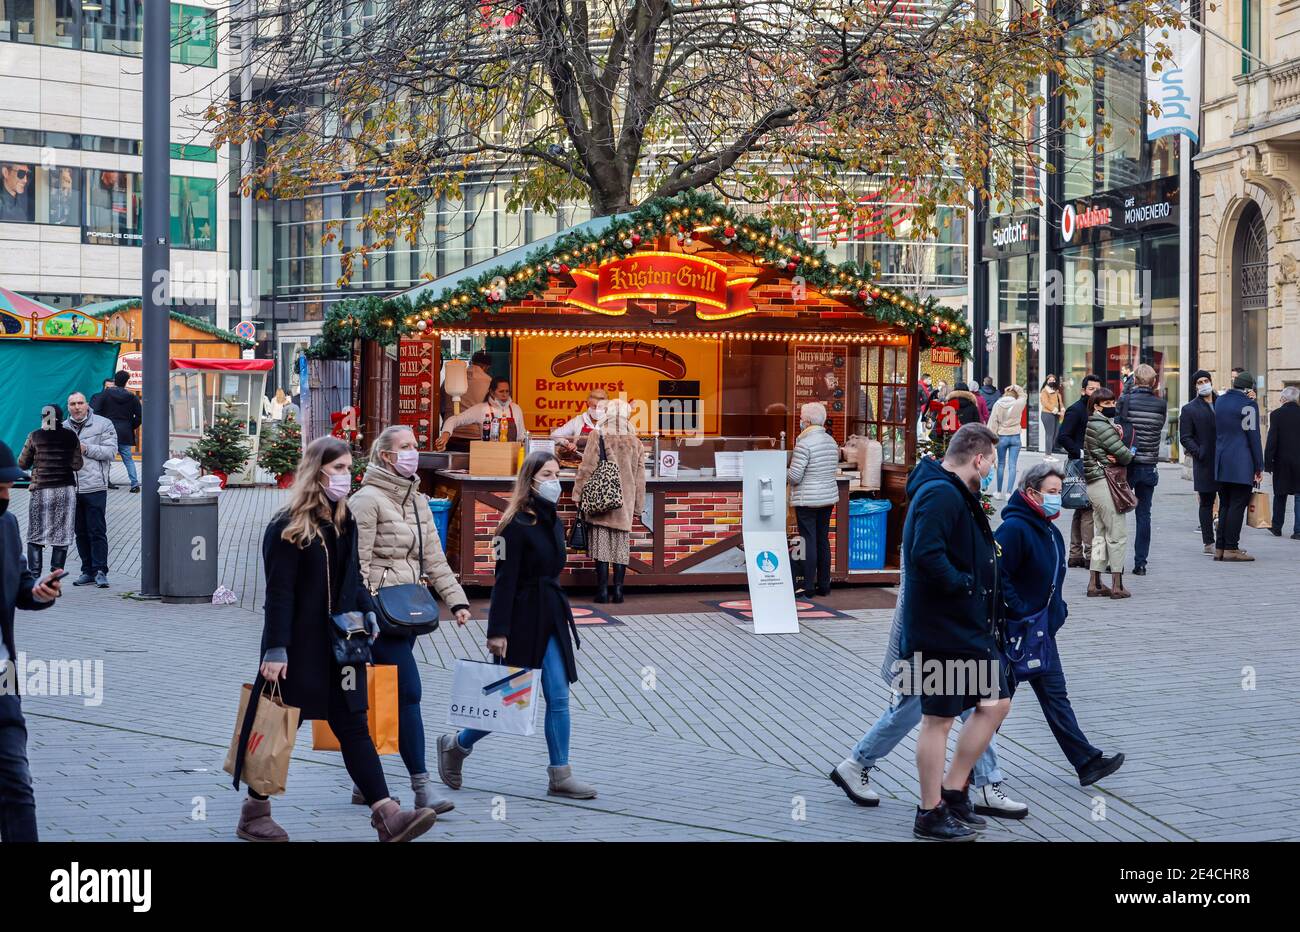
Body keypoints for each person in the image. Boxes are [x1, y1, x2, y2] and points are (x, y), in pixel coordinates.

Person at [238, 437, 438, 843]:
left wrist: (367, 609)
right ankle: (254, 812)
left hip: (341, 644)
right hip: (298, 647)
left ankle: (386, 814)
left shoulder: (343, 520)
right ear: (319, 471)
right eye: (341, 468)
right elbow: (279, 595)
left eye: (350, 468)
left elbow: (354, 577)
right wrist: (275, 649)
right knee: (279, 725)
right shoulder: (287, 527)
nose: (348, 476)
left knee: (353, 724)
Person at [437, 453, 596, 799]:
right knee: (510, 700)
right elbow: (503, 581)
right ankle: (457, 745)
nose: (555, 480)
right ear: (531, 479)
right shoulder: (511, 526)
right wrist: (497, 632)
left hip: (551, 613)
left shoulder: (553, 519)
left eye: (558, 473)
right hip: (522, 618)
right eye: (547, 474)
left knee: (558, 696)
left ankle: (560, 773)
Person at [830, 557, 1028, 820]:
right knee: (920, 710)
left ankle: (985, 784)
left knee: (978, 708)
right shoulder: (938, 516)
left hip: (958, 635)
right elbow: (931, 567)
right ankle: (861, 765)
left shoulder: (964, 517)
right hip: (938, 636)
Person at [350, 425, 472, 814]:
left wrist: (457, 601)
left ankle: (363, 783)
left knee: (377, 699)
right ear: (386, 456)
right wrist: (364, 614)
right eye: (405, 447)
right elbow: (357, 564)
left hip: (408, 611)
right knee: (408, 694)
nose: (413, 453)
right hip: (379, 615)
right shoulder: (366, 501)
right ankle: (422, 788)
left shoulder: (418, 500)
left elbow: (433, 558)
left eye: (415, 447)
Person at [900, 423, 1011, 841]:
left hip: (961, 626)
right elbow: (924, 554)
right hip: (941, 629)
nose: (991, 470)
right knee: (938, 720)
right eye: (992, 462)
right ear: (978, 458)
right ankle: (929, 812)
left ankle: (953, 790)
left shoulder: (950, 491)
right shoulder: (940, 493)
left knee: (996, 702)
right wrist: (963, 584)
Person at [995, 461, 1126, 787]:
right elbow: (997, 574)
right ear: (1031, 493)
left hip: (1041, 632)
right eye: (1052, 492)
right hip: (1014, 634)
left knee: (1056, 697)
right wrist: (1020, 609)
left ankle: (1086, 762)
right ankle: (964, 773)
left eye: (1058, 491)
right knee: (993, 709)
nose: (1058, 498)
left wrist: (1058, 610)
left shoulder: (1047, 529)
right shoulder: (1014, 529)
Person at [0, 440, 64, 842]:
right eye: (0, 485)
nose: (6, 494)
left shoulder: (6, 525)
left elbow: (20, 585)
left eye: (8, 485)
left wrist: (38, 591)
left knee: (17, 786)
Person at [572, 398, 646, 603]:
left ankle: (602, 591)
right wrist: (638, 507)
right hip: (626, 502)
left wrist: (578, 495)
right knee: (620, 549)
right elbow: (640, 478)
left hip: (602, 500)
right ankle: (619, 592)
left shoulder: (599, 434)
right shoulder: (636, 441)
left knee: (602, 547)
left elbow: (586, 468)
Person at [16, 405, 82, 578]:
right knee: (61, 534)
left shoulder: (35, 435)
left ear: (44, 417)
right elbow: (77, 465)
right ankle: (54, 579)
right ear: (61, 417)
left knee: (36, 533)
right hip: (65, 490)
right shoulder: (70, 435)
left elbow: (22, 464)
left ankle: (35, 577)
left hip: (41, 490)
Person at [1083, 388, 1134, 597]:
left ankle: (1094, 582)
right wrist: (1124, 454)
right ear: (1096, 406)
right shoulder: (1101, 426)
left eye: (1113, 402)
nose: (1112, 406)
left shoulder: (1096, 424)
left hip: (1096, 485)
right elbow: (1124, 455)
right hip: (1107, 484)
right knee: (1117, 535)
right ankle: (1117, 584)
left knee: (1100, 535)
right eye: (1107, 404)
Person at [1116, 364, 1166, 576]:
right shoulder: (1160, 404)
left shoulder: (1125, 400)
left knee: (1118, 513)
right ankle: (1141, 563)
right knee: (1144, 515)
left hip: (1127, 465)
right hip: (1149, 465)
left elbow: (1117, 427)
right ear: (1154, 382)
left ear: (1134, 380)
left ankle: (1116, 561)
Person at [786, 402, 840, 599]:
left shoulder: (804, 443)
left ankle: (808, 586)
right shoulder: (831, 442)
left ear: (807, 421)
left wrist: (785, 472)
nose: (800, 421)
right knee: (822, 539)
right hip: (827, 498)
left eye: (801, 418)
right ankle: (824, 585)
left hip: (807, 499)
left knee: (808, 541)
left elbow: (795, 477)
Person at [63, 393, 116, 588]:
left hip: (95, 487)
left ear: (87, 405)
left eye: (80, 403)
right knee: (80, 532)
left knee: (97, 531)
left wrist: (86, 448)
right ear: (68, 407)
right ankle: (87, 571)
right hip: (71, 488)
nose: (76, 407)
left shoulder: (103, 424)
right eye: (72, 404)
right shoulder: (62, 428)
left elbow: (111, 452)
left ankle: (101, 570)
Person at [1213, 371, 1264, 561]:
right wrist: (1259, 465)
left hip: (1221, 460)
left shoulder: (1220, 402)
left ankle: (1220, 547)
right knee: (1237, 504)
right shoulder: (1248, 405)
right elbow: (1254, 436)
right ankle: (1231, 548)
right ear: (1249, 388)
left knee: (1225, 503)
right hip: (1241, 462)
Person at [1059, 374, 1100, 567]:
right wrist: (1080, 453)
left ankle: (1075, 553)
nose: (1095, 393)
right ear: (1083, 390)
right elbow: (1063, 437)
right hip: (1080, 465)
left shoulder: (1096, 410)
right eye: (1091, 389)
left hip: (1089, 464)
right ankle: (1090, 554)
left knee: (1080, 508)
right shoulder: (1076, 410)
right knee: (1087, 509)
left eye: (1097, 389)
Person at [1179, 370, 1220, 554]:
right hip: (1204, 462)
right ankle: (1208, 542)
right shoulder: (1190, 409)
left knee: (1227, 501)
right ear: (1195, 386)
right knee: (1206, 501)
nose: (1204, 384)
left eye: (1206, 380)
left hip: (1225, 460)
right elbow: (1185, 437)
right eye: (1200, 382)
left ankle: (1226, 541)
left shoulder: (1223, 403)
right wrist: (1199, 452)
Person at [435, 376, 527, 449]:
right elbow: (454, 420)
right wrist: (445, 434)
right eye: (501, 391)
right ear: (491, 392)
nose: (505, 395)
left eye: (507, 391)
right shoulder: (482, 409)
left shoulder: (516, 409)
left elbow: (521, 435)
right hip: (488, 455)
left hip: (512, 456)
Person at [91, 370, 142, 492]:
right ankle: (134, 484)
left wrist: (102, 426)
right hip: (125, 431)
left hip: (107, 431)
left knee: (105, 458)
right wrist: (130, 426)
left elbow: (96, 412)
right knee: (128, 459)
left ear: (115, 380)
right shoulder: (132, 397)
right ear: (126, 382)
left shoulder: (105, 395)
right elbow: (140, 416)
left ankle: (104, 482)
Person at [439, 350, 494, 451]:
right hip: (475, 436)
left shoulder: (451, 378)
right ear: (486, 367)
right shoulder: (489, 382)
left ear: (471, 361)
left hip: (451, 435)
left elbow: (441, 404)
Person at [1265, 386, 1300, 539]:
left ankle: (1277, 526)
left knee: (1280, 494)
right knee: (1299, 496)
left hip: (1282, 461)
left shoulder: (1276, 414)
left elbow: (1272, 440)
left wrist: (1268, 463)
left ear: (1284, 399)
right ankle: (1298, 531)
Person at [986, 385, 1026, 498]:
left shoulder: (997, 405)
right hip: (1015, 437)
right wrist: (1014, 387)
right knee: (1012, 465)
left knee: (1001, 464)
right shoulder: (1019, 403)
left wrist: (991, 441)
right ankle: (1009, 493)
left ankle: (998, 492)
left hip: (1002, 437)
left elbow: (992, 423)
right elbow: (1023, 394)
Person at [551, 388, 608, 456]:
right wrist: (567, 444)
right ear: (588, 404)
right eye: (594, 406)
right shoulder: (579, 420)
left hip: (604, 464)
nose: (597, 410)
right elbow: (554, 435)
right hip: (578, 463)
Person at [1039, 374, 1065, 453]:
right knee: (1049, 434)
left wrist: (1063, 409)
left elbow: (1060, 402)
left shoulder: (1056, 391)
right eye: (1050, 380)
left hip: (1056, 415)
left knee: (1055, 434)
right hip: (1047, 414)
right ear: (1047, 381)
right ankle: (1048, 454)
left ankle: (1050, 452)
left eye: (1053, 380)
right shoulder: (1044, 391)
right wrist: (1056, 411)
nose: (1052, 381)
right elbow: (1045, 403)